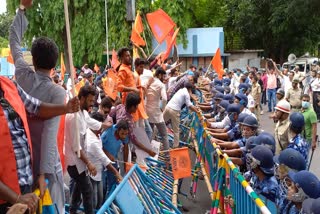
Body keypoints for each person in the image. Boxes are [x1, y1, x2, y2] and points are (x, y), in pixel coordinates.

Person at [9, 1, 67, 212]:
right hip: (47, 170)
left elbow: (14, 40)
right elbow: (49, 136)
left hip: (24, 168)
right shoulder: (58, 92)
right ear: (54, 66)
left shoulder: (21, 75)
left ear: (32, 59)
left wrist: (22, 10)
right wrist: (43, 174)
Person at [0, 75, 79, 214]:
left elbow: (37, 107)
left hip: (26, 186)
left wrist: (66, 108)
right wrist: (17, 198)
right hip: (6, 197)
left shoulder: (10, 85)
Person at [64, 86, 111, 214]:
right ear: (82, 98)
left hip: (78, 160)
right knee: (88, 190)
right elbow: (76, 148)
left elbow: (90, 121)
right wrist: (89, 163)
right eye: (90, 101)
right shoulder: (74, 117)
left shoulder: (82, 112)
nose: (92, 104)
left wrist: (104, 125)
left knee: (79, 188)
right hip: (74, 162)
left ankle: (72, 210)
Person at [86, 112, 121, 209]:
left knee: (100, 198)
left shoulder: (95, 133)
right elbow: (104, 160)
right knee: (94, 201)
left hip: (99, 171)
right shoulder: (91, 140)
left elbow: (102, 151)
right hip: (91, 174)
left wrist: (109, 155)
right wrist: (116, 173)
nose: (102, 129)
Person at [109, 92, 156, 157]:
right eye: (136, 106)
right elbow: (134, 140)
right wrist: (148, 151)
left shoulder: (120, 107)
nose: (137, 108)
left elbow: (110, 115)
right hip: (121, 146)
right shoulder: (128, 121)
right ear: (132, 107)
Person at [163, 82, 199, 147]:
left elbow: (189, 98)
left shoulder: (181, 90)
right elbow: (189, 105)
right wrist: (197, 111)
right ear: (190, 89)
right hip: (175, 110)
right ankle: (175, 147)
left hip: (168, 107)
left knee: (161, 123)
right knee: (176, 131)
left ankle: (153, 136)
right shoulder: (187, 94)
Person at [101, 120, 129, 196]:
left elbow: (126, 147)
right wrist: (108, 155)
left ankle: (109, 203)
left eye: (126, 134)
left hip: (113, 160)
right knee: (102, 185)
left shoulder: (125, 133)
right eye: (122, 134)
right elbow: (99, 146)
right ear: (117, 130)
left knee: (113, 183)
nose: (124, 136)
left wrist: (125, 163)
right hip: (102, 160)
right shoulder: (108, 132)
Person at [145, 67, 170, 151]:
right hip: (156, 112)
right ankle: (167, 156)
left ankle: (147, 155)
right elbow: (165, 99)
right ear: (159, 75)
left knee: (149, 134)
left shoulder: (149, 82)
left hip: (147, 111)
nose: (164, 78)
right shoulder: (161, 85)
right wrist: (162, 109)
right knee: (164, 135)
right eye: (163, 76)